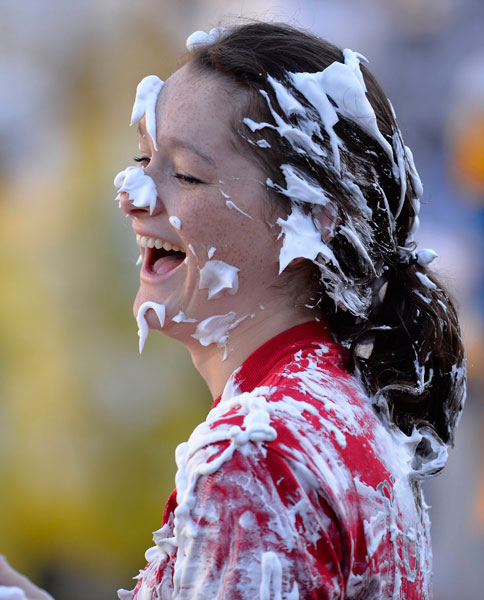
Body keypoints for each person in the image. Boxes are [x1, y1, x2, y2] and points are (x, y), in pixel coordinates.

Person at [1, 22, 466, 600]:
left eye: (187, 173)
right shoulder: (340, 403)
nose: (132, 195)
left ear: (311, 218)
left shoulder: (253, 458)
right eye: (142, 159)